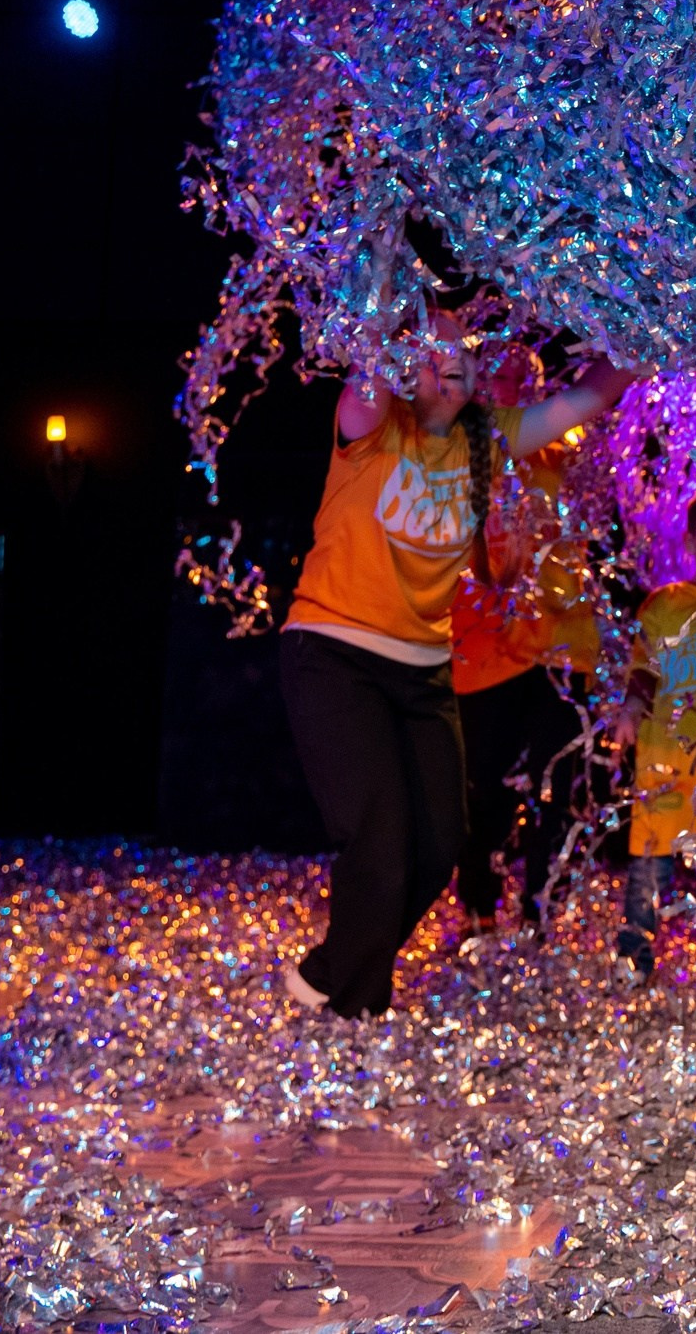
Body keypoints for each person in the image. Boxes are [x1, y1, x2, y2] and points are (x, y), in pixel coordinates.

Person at [277, 316, 630, 1017]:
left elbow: (586, 399)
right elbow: (366, 372)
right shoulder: (373, 421)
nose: (457, 361)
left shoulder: (484, 437)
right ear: (404, 363)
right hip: (334, 653)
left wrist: (652, 333)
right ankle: (354, 1003)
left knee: (439, 844)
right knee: (380, 843)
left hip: (424, 667)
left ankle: (337, 975)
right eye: (436, 351)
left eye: (466, 350)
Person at [450, 345, 600, 943]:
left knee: (558, 789)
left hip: (562, 647)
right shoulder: (463, 447)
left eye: (526, 374)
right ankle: (479, 911)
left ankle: (542, 915)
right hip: (484, 648)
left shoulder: (565, 449)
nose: (513, 382)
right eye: (501, 374)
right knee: (481, 789)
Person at [608, 486, 696, 976]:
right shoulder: (664, 603)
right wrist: (631, 706)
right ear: (690, 541)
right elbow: (644, 667)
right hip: (666, 758)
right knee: (650, 863)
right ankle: (634, 959)